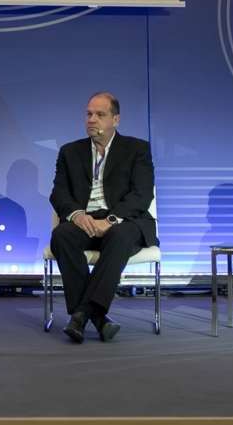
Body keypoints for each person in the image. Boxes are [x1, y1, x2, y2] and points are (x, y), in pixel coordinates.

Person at [49, 91, 156, 343]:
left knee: (119, 236)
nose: (92, 119)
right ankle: (97, 318)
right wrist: (77, 216)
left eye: (100, 114)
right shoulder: (69, 152)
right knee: (62, 235)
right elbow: (59, 193)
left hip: (124, 221)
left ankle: (81, 315)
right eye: (89, 114)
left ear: (115, 119)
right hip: (86, 220)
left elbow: (141, 195)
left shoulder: (137, 149)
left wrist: (110, 220)